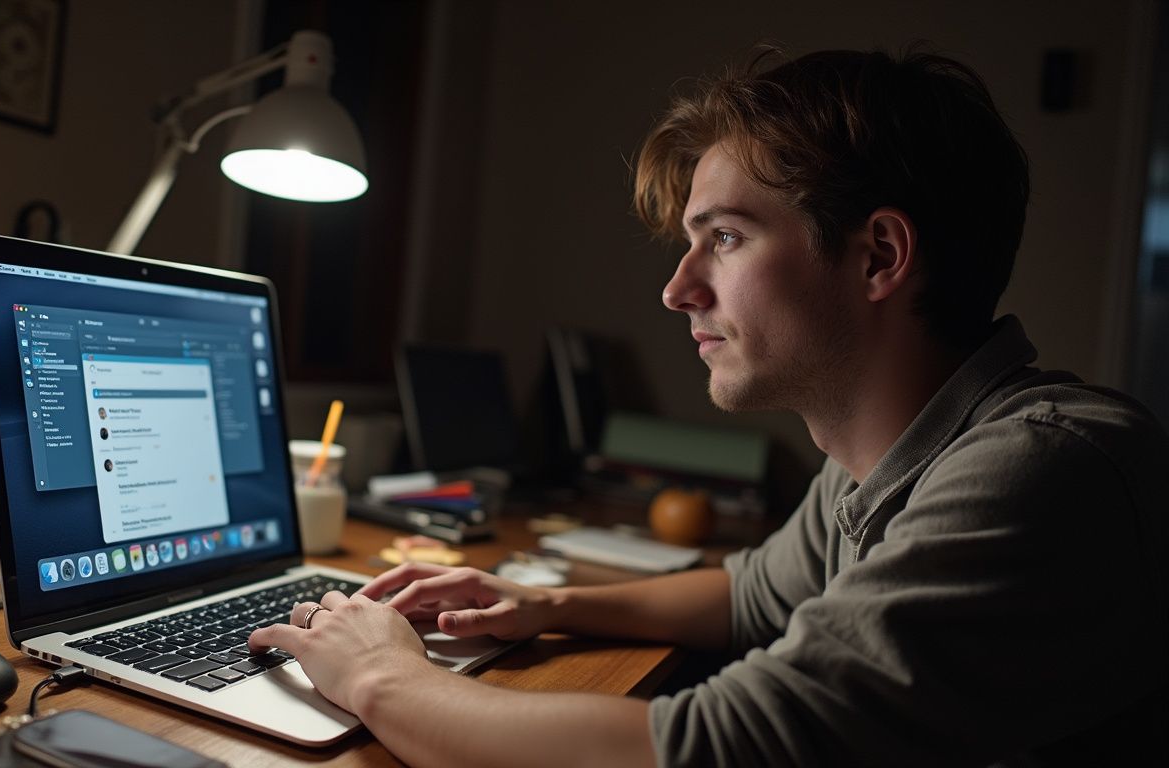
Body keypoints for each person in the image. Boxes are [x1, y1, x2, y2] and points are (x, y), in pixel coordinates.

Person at [250, 48, 1169, 766]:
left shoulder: (1041, 470)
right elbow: (749, 592)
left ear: (880, 256)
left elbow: (714, 751)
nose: (677, 289)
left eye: (724, 237)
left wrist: (380, 677)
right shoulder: (885, 456)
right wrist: (539, 602)